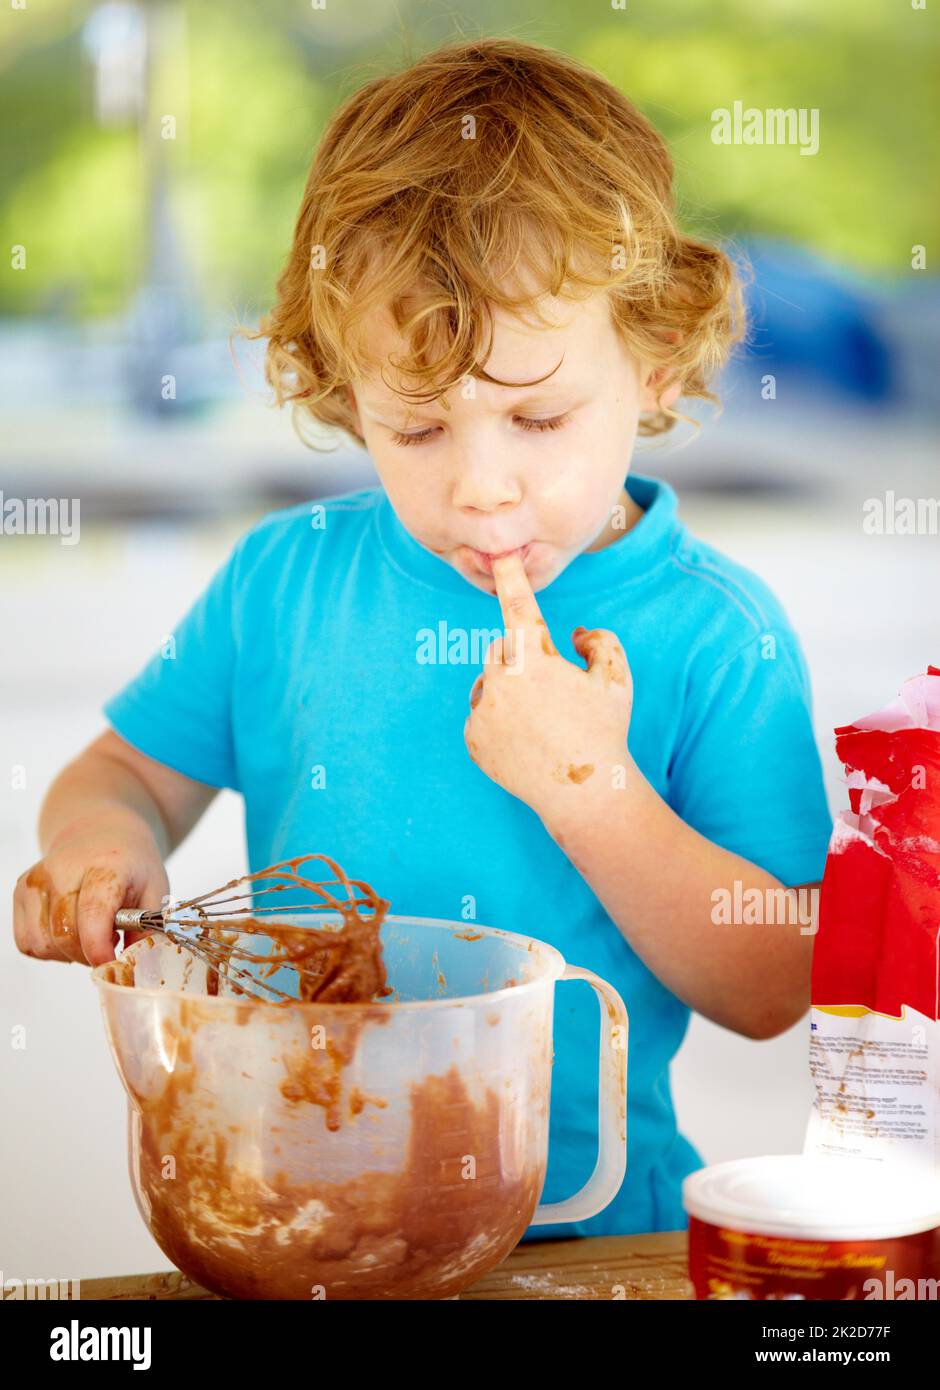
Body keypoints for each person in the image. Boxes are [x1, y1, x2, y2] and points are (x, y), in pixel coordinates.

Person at [13, 38, 832, 1238]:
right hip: (300, 1212)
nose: (482, 490)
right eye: (417, 430)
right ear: (345, 391)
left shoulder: (719, 635)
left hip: (603, 1235)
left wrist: (590, 791)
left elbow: (776, 985)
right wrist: (96, 846)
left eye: (537, 416)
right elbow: (127, 774)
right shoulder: (285, 585)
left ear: (653, 364)